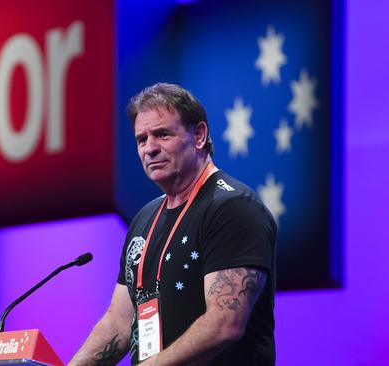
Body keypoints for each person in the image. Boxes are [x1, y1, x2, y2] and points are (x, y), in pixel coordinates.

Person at [69, 83, 277, 365]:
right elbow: (118, 322)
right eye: (142, 140)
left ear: (199, 135)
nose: (150, 149)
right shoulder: (144, 218)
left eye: (162, 134)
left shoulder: (232, 207)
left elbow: (225, 323)